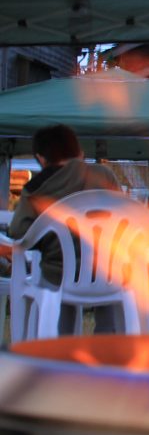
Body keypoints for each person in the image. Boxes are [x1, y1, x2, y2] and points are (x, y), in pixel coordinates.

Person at [8, 124, 121, 332]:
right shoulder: (103, 175)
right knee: (109, 270)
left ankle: (61, 341)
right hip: (106, 272)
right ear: (79, 152)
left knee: (58, 280)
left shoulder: (36, 188)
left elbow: (18, 231)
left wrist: (45, 237)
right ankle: (109, 341)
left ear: (41, 158)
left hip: (58, 275)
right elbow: (124, 215)